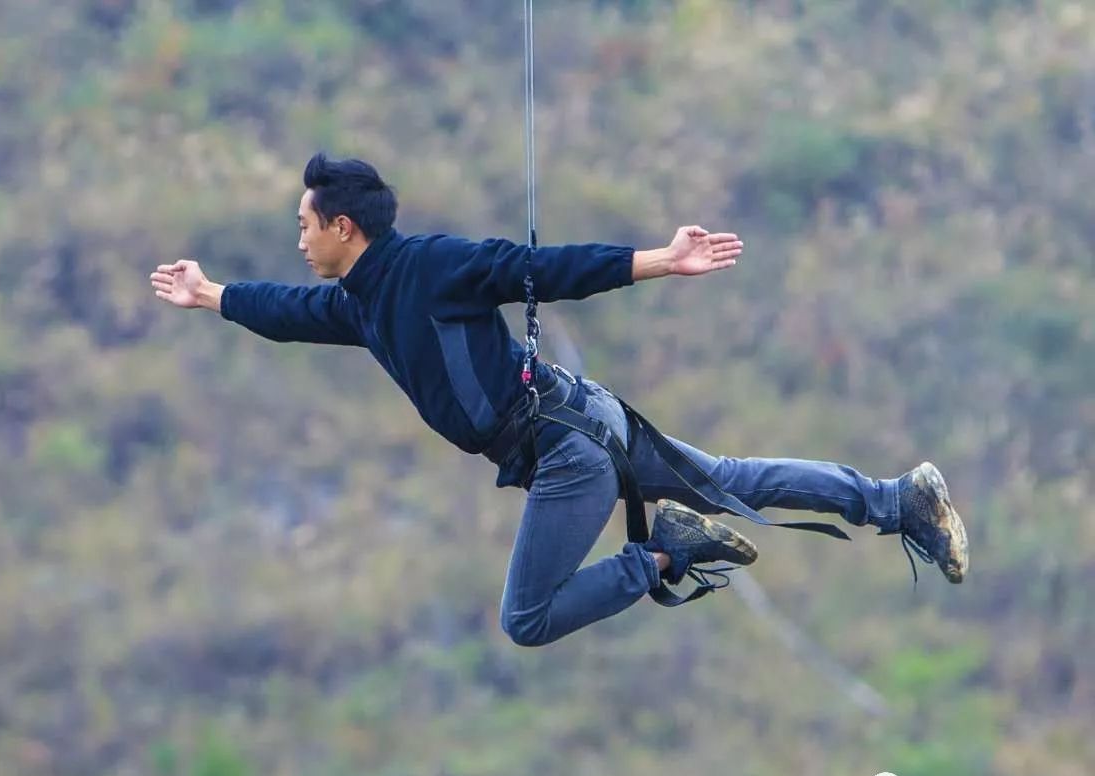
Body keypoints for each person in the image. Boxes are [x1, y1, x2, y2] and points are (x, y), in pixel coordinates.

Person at [149, 153, 968, 647]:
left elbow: (540, 267)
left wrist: (657, 260)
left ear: (341, 228)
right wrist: (211, 294)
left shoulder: (433, 265)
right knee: (735, 480)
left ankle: (668, 553)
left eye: (304, 224)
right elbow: (285, 314)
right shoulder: (360, 302)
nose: (297, 240)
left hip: (566, 448)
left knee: (527, 619)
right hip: (580, 419)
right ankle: (899, 501)